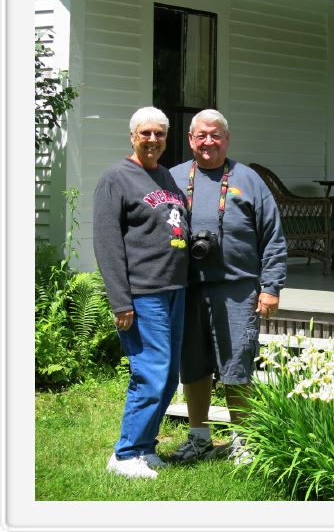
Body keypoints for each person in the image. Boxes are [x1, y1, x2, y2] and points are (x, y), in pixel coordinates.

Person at [169, 109, 287, 464]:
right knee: (192, 365)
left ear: (227, 139)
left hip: (237, 288)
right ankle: (199, 437)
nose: (208, 142)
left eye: (216, 135)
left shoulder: (247, 179)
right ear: (190, 140)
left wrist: (271, 286)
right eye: (201, 135)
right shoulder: (173, 178)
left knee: (237, 366)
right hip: (187, 289)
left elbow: (273, 237)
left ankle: (243, 441)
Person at [94, 107, 189, 479]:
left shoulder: (165, 176)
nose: (153, 140)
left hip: (174, 289)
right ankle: (125, 453)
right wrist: (121, 300)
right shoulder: (116, 178)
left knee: (168, 376)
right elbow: (107, 243)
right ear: (132, 136)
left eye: (160, 134)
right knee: (150, 371)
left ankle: (145, 448)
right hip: (143, 292)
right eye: (146, 133)